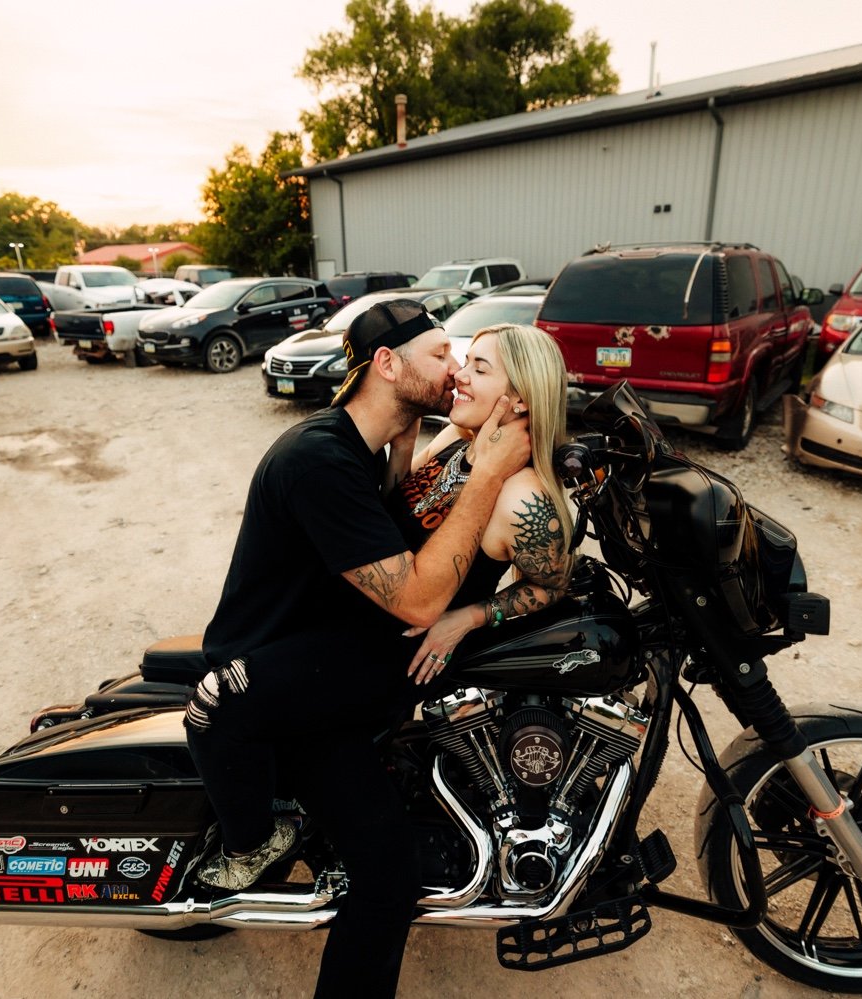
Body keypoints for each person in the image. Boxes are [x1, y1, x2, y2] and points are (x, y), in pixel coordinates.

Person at [183, 298, 530, 999]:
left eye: (466, 359)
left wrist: (407, 447)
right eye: (441, 354)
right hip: (292, 669)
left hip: (324, 651)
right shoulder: (320, 460)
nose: (456, 367)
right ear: (387, 363)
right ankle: (256, 842)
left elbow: (385, 525)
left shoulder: (351, 444)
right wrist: (489, 472)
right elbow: (417, 600)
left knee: (386, 863)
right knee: (386, 874)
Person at [381, 322, 576, 684]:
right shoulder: (457, 437)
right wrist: (404, 445)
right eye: (466, 361)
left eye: (479, 368)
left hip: (403, 662)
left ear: (522, 398)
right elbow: (394, 507)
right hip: (367, 618)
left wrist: (470, 617)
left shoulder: (522, 495)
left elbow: (553, 584)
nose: (459, 375)